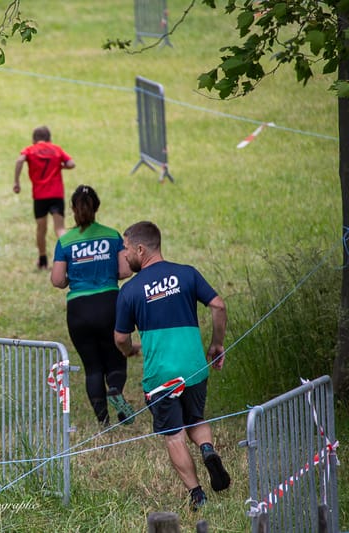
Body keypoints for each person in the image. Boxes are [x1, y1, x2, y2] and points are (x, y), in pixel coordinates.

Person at [113, 221, 230, 511]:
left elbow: (120, 338)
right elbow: (218, 305)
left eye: (126, 249)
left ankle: (197, 494)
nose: (125, 256)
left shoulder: (129, 291)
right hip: (194, 368)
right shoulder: (187, 273)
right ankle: (207, 449)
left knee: (174, 435)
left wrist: (130, 351)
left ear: (140, 248)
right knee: (196, 418)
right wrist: (216, 344)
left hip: (161, 378)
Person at [50, 185, 134, 427]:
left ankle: (103, 422)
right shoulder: (111, 235)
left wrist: (71, 279)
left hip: (78, 309)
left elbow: (57, 280)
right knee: (116, 359)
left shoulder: (65, 241)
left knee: (92, 367)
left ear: (73, 210)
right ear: (96, 207)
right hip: (109, 304)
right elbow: (124, 270)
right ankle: (116, 390)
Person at [13, 126, 75, 269]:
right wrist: (60, 167)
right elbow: (71, 163)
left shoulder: (30, 150)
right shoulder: (56, 149)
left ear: (34, 139)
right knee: (59, 228)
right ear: (50, 138)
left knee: (41, 228)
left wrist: (16, 181)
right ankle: (70, 258)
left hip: (40, 196)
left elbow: (19, 160)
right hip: (56, 194)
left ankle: (42, 259)